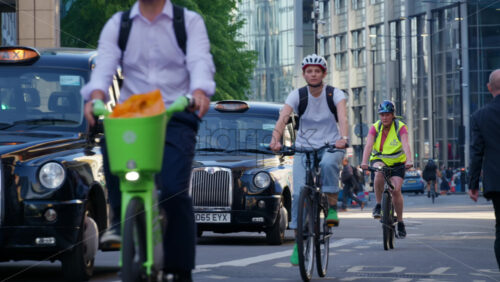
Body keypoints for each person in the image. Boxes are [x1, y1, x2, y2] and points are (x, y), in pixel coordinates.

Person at [80, 0, 215, 280]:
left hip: (176, 111)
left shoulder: (187, 22)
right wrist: (96, 96)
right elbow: (104, 65)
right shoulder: (119, 25)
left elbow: (200, 61)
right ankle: (120, 221)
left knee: (173, 191)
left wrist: (200, 90)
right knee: (111, 142)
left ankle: (179, 269)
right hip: (135, 114)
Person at [269, 54, 348, 265]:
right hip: (304, 148)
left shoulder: (335, 94)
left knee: (329, 163)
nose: (313, 74)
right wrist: (275, 139)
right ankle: (298, 244)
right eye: (309, 71)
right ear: (304, 74)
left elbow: (342, 116)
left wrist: (344, 138)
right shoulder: (298, 95)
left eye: (317, 71)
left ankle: (331, 208)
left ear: (324, 73)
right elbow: (283, 117)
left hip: (331, 145)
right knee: (297, 194)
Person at [360, 100, 413, 238]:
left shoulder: (400, 127)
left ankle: (400, 222)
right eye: (382, 115)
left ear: (393, 115)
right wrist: (364, 162)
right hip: (380, 159)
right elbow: (369, 145)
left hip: (397, 163)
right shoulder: (375, 127)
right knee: (378, 173)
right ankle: (378, 205)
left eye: (387, 114)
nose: (384, 118)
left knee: (395, 190)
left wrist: (409, 160)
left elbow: (406, 144)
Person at [469, 69, 500, 270]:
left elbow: (477, 153)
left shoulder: (480, 116)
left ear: (489, 88)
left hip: (497, 182)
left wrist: (473, 184)